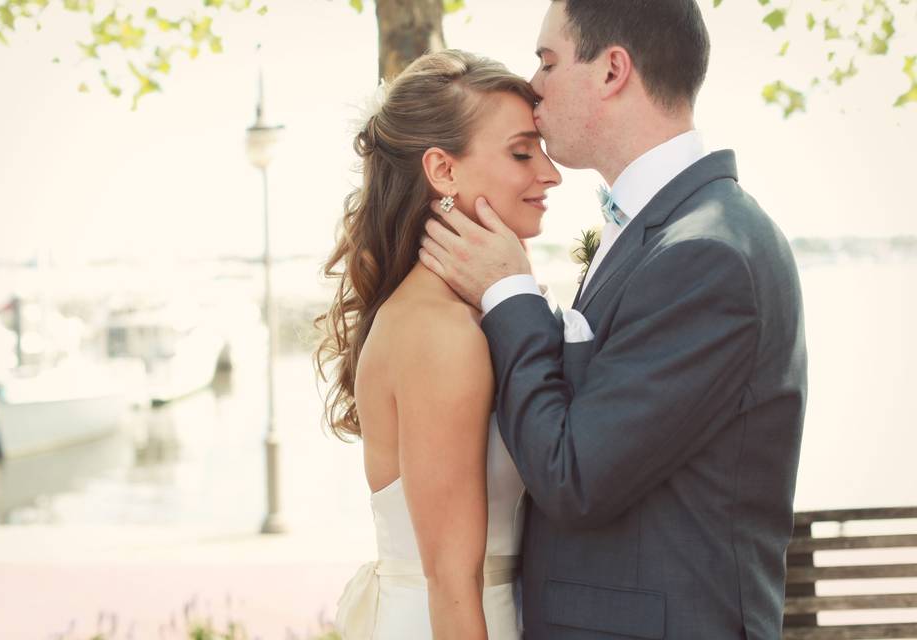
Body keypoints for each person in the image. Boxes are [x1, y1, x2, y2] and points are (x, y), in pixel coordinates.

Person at [419, 1, 808, 638]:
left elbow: (574, 476)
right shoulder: (669, 235)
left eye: (547, 62)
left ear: (612, 71)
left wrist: (510, 292)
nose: (533, 87)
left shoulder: (706, 254)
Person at [314, 49, 561, 639]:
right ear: (443, 171)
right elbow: (452, 580)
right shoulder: (438, 332)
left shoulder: (462, 316)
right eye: (523, 152)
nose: (550, 174)